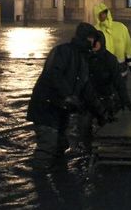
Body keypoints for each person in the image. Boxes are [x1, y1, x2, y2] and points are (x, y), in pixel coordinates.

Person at [26, 22, 110, 169]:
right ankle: (39, 183)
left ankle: (58, 180)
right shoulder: (62, 51)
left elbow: (87, 91)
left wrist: (102, 114)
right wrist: (69, 95)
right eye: (94, 40)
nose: (96, 44)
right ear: (88, 39)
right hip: (46, 108)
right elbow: (53, 74)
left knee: (60, 146)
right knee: (47, 147)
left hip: (60, 111)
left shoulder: (83, 60)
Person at [76, 30, 131, 152]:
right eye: (91, 43)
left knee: (105, 126)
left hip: (105, 99)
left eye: (96, 43)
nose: (93, 46)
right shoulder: (84, 58)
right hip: (88, 101)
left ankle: (103, 150)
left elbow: (118, 82)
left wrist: (125, 100)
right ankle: (87, 150)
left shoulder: (109, 59)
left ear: (101, 42)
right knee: (84, 127)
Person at [93, 3, 131, 79]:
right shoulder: (94, 30)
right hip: (102, 72)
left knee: (121, 89)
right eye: (100, 14)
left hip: (120, 71)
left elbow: (128, 48)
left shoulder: (121, 27)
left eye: (105, 13)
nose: (103, 16)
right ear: (96, 16)